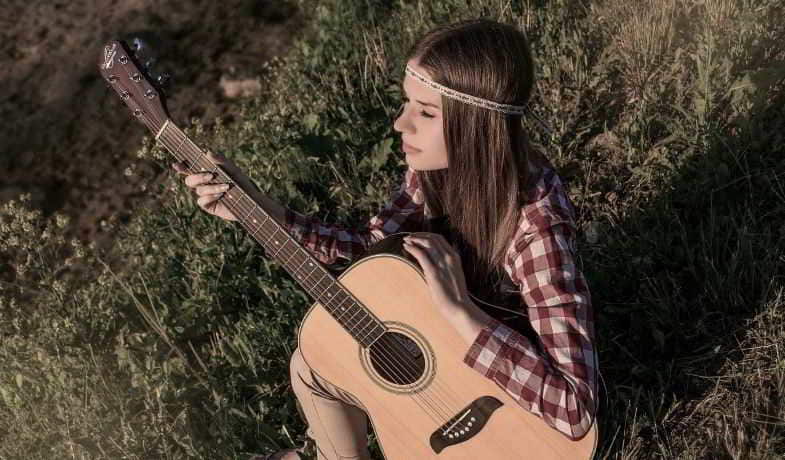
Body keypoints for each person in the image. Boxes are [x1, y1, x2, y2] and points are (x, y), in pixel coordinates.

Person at [173, 18, 598, 460]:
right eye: (405, 103)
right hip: (444, 360)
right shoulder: (431, 172)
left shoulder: (536, 233)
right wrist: (262, 212)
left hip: (504, 412)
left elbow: (574, 408)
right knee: (310, 363)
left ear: (476, 126)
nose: (400, 124)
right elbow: (369, 251)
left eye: (426, 113)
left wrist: (461, 312)